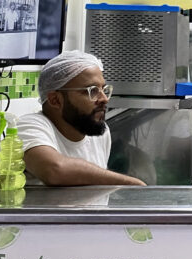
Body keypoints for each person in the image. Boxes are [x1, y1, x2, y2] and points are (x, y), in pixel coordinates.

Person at [19, 50, 145, 186]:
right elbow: (55, 170)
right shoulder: (29, 127)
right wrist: (130, 183)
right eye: (91, 91)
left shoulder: (99, 133)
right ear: (55, 100)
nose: (104, 99)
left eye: (104, 89)